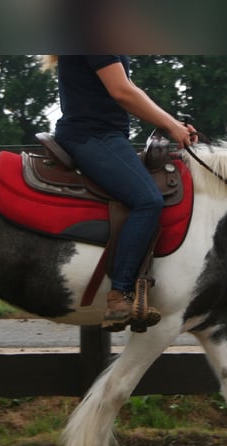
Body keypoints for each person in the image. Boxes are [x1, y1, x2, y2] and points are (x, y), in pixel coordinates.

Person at [41, 55, 197, 331]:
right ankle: (119, 295)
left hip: (103, 136)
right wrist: (171, 126)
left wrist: (171, 122)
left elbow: (127, 87)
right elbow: (121, 92)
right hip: (93, 136)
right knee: (147, 201)